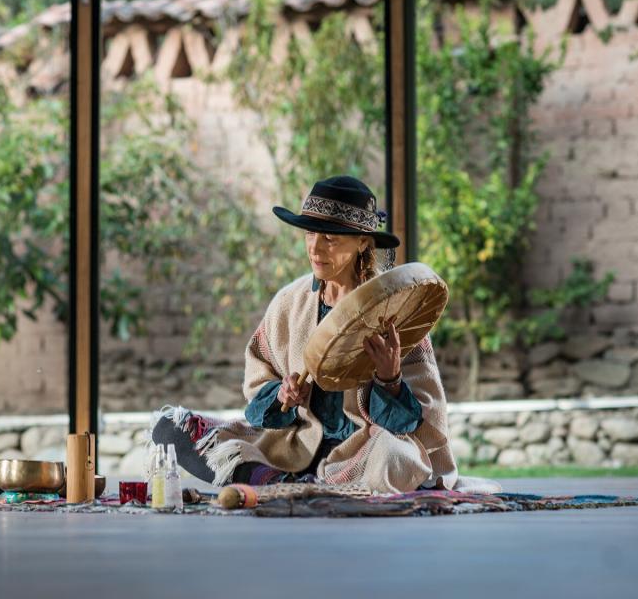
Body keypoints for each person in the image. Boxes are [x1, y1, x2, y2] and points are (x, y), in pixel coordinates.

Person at [151, 175, 480, 494]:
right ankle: (289, 486)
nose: (315, 247)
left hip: (361, 449)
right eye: (310, 234)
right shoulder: (289, 303)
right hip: (293, 446)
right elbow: (256, 392)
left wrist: (390, 380)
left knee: (395, 456)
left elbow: (420, 421)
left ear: (363, 242)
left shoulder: (395, 306)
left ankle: (285, 487)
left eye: (330, 238)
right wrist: (283, 397)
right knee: (176, 429)